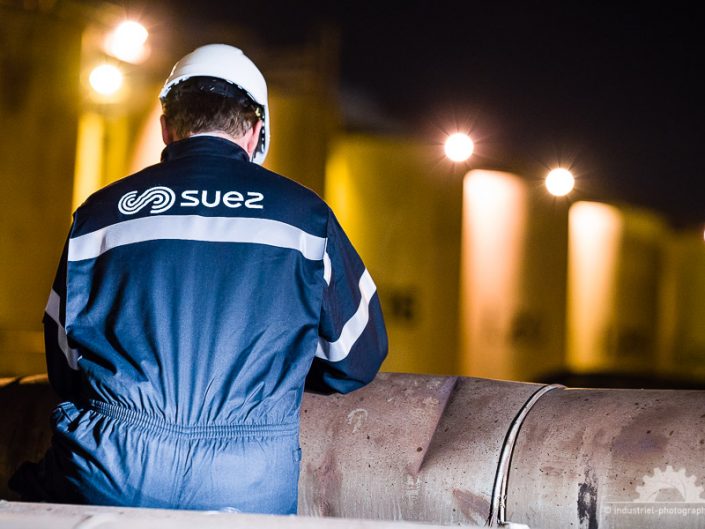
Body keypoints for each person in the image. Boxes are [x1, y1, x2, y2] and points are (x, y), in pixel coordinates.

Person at [9, 44, 388, 513]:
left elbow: (65, 364)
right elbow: (356, 358)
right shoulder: (307, 216)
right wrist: (274, 368)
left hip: (111, 472)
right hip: (247, 483)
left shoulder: (100, 213)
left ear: (167, 128)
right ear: (255, 132)